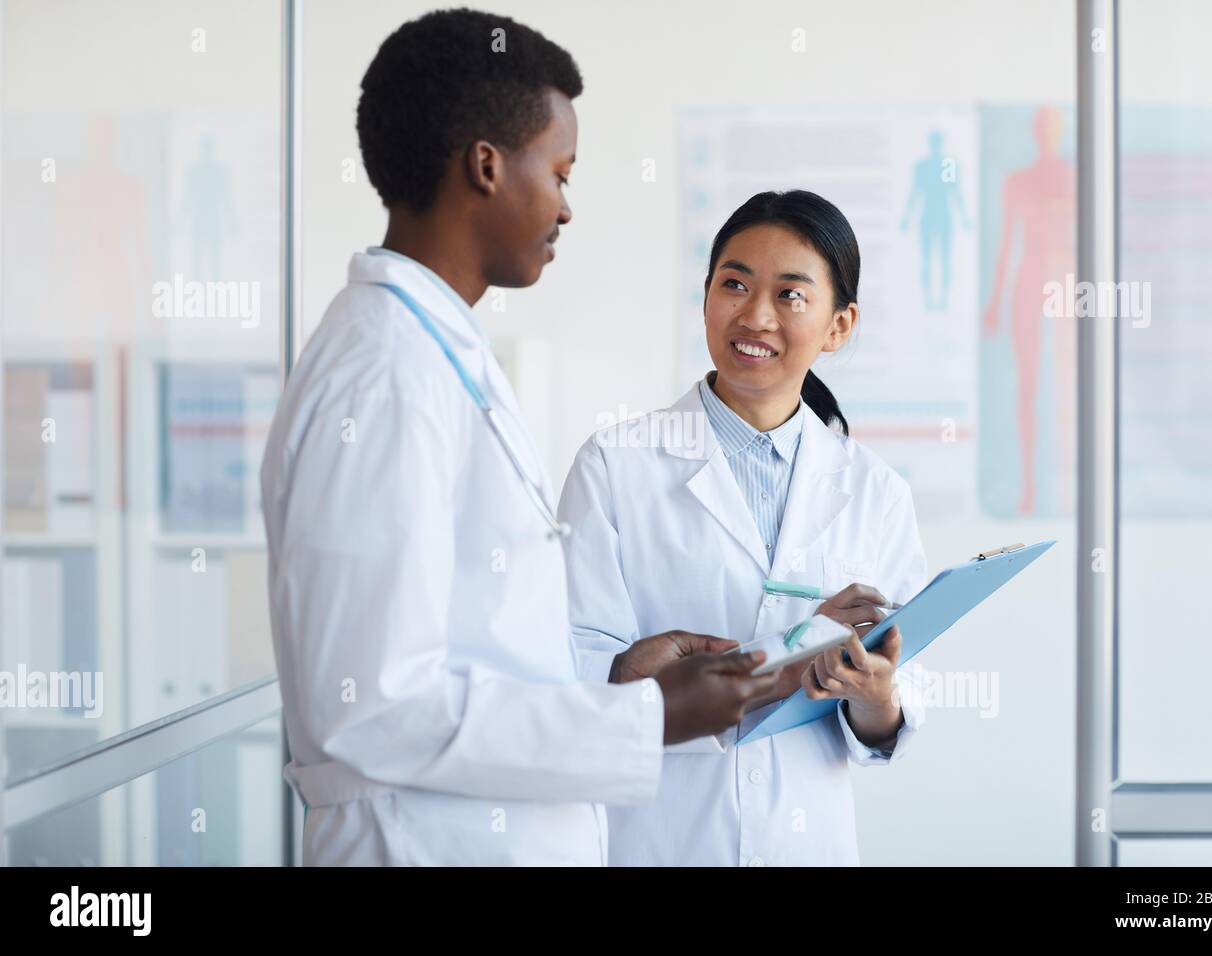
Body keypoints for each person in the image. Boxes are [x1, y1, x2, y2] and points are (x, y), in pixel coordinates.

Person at [260, 8, 775, 867]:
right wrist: (646, 719)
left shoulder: (431, 349)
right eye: (561, 173)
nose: (567, 208)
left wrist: (613, 684)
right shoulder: (385, 374)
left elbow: (464, 648)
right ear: (487, 167)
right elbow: (373, 708)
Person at [558, 190, 929, 866]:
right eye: (734, 283)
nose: (755, 315)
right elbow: (574, 676)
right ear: (705, 298)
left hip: (807, 840)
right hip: (660, 840)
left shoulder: (875, 491)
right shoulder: (615, 467)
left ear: (839, 325)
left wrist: (874, 695)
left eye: (791, 295)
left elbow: (893, 714)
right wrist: (793, 655)